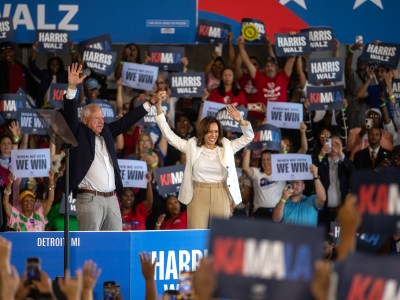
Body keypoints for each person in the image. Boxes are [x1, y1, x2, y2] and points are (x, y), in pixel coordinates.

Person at [62, 63, 165, 231]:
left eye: (102, 118)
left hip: (112, 198)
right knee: (91, 244)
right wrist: (72, 87)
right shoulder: (78, 133)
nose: (101, 121)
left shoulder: (107, 132)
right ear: (85, 120)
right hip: (90, 199)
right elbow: (70, 114)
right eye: (97, 118)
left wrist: (151, 101)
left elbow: (128, 119)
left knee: (115, 243)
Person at [155, 97, 254, 229]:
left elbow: (249, 137)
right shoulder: (191, 146)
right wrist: (159, 109)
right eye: (209, 132)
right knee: (196, 232)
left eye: (216, 132)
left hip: (221, 192)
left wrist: (241, 120)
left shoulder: (227, 146)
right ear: (203, 132)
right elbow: (169, 135)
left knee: (220, 235)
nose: (213, 135)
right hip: (198, 192)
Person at [242, 149, 286, 220]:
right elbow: (245, 167)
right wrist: (249, 149)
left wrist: (285, 151)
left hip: (278, 212)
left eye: (268, 159)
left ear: (274, 160)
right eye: (263, 160)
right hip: (259, 213)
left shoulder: (281, 172)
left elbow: (288, 160)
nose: (265, 162)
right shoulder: (257, 173)